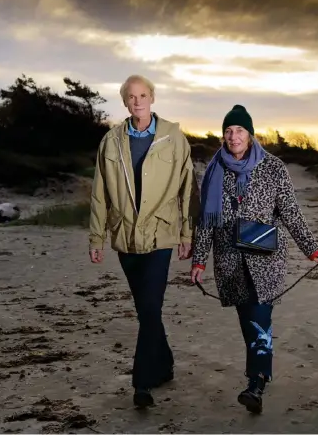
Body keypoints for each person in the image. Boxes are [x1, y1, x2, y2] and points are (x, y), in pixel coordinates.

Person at [190, 104, 318, 414]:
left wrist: (312, 249)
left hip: (265, 259)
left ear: (251, 134)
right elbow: (205, 221)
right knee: (249, 322)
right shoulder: (214, 169)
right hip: (229, 259)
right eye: (228, 131)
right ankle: (261, 369)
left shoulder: (273, 167)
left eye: (239, 130)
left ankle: (256, 383)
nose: (233, 136)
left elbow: (290, 213)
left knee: (260, 317)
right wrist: (198, 260)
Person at [88, 74, 200, 408]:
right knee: (146, 310)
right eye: (131, 97)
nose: (137, 102)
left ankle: (142, 382)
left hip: (161, 236)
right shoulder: (110, 142)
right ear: (125, 102)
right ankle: (164, 364)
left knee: (150, 307)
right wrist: (96, 238)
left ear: (152, 98)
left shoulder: (173, 138)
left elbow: (187, 188)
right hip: (125, 238)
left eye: (143, 95)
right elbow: (99, 194)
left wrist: (186, 234)